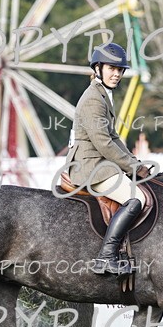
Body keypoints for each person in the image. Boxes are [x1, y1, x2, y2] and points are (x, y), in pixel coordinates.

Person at [64, 43, 150, 276]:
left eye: (120, 70)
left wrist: (135, 163)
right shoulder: (93, 99)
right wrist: (133, 167)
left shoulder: (103, 95)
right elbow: (104, 143)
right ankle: (106, 257)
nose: (116, 74)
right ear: (97, 68)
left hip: (100, 162)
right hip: (90, 166)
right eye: (111, 68)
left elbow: (113, 137)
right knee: (136, 199)